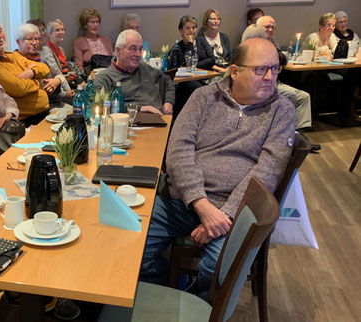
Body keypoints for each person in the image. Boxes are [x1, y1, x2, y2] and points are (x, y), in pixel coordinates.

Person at [139, 38, 295, 301]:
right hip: (180, 201)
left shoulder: (282, 110)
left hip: (233, 211)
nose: (270, 77)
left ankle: (196, 306)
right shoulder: (203, 97)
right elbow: (178, 151)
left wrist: (221, 217)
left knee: (217, 271)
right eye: (260, 69)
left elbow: (267, 171)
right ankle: (175, 285)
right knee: (130, 251)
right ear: (234, 71)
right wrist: (201, 204)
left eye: (275, 69)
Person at [0, 20, 52, 126]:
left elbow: (45, 68)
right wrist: (38, 81)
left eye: (0, 31)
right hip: (25, 121)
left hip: (44, 113)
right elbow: (20, 88)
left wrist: (32, 72)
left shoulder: (13, 55)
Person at [94, 30, 174, 115]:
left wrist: (169, 102)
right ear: (118, 51)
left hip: (160, 119)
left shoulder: (144, 68)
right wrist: (139, 108)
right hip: (130, 123)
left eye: (140, 49)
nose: (138, 54)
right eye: (133, 49)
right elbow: (103, 105)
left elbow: (167, 80)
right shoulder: (105, 78)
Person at [14, 23, 73, 107]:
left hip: (53, 100)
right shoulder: (15, 60)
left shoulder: (41, 57)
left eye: (36, 39)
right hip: (34, 106)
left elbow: (59, 75)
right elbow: (21, 86)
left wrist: (57, 81)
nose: (34, 43)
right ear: (18, 42)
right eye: (30, 39)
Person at [168, 15, 205, 117]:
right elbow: (188, 63)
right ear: (181, 31)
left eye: (193, 28)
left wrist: (197, 66)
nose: (191, 31)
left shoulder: (201, 42)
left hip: (201, 77)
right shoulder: (177, 48)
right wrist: (189, 44)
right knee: (199, 90)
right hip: (185, 81)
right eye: (187, 28)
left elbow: (211, 60)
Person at [42, 19, 84, 93]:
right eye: (57, 30)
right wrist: (70, 90)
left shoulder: (61, 49)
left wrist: (80, 82)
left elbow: (67, 70)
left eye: (62, 29)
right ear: (49, 34)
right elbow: (58, 74)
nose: (61, 32)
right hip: (60, 89)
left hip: (70, 83)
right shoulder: (47, 51)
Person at [73, 8, 113, 74]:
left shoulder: (105, 39)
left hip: (109, 73)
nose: (95, 25)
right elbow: (78, 65)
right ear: (85, 25)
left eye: (97, 22)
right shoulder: (79, 42)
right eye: (91, 22)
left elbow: (113, 60)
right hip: (92, 75)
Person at [197, 9, 232, 73]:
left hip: (227, 68)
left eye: (218, 19)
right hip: (212, 72)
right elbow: (204, 62)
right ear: (206, 21)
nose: (216, 21)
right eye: (213, 19)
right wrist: (222, 70)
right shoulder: (200, 40)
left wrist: (230, 68)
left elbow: (230, 55)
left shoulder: (224, 37)